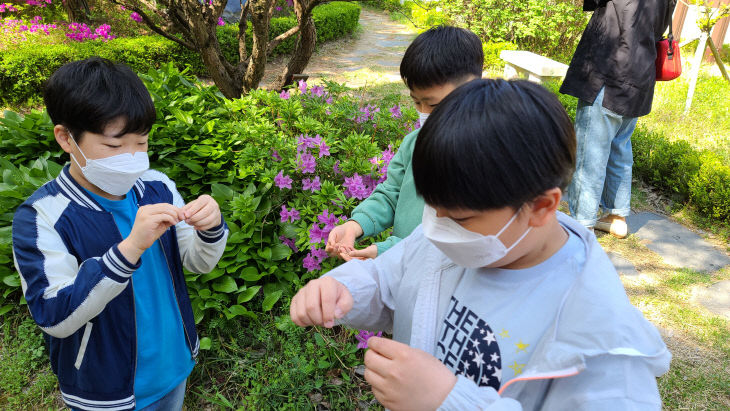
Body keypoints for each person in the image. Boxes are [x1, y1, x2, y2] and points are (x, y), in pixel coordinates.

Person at [291, 79, 670, 410]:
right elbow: (390, 279)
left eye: (459, 218)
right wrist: (343, 289)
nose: (437, 228)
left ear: (541, 206)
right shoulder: (455, 231)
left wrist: (449, 401)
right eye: (433, 208)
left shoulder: (601, 346)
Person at [11, 57, 229, 411]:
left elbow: (196, 262)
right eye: (114, 146)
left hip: (173, 366)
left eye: (141, 143)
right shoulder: (42, 216)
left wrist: (210, 228)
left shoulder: (156, 187)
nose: (131, 158)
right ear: (66, 138)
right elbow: (52, 314)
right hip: (104, 391)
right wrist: (127, 250)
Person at [326, 25, 484, 260]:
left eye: (433, 105)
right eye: (416, 102)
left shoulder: (485, 154)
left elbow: (465, 237)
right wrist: (356, 224)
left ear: (473, 89)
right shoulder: (414, 143)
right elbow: (392, 194)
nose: (423, 112)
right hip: (403, 268)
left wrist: (389, 250)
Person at [561, 0, 677, 238]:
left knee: (589, 151)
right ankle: (616, 216)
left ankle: (581, 224)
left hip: (608, 72)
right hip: (640, 76)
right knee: (620, 147)